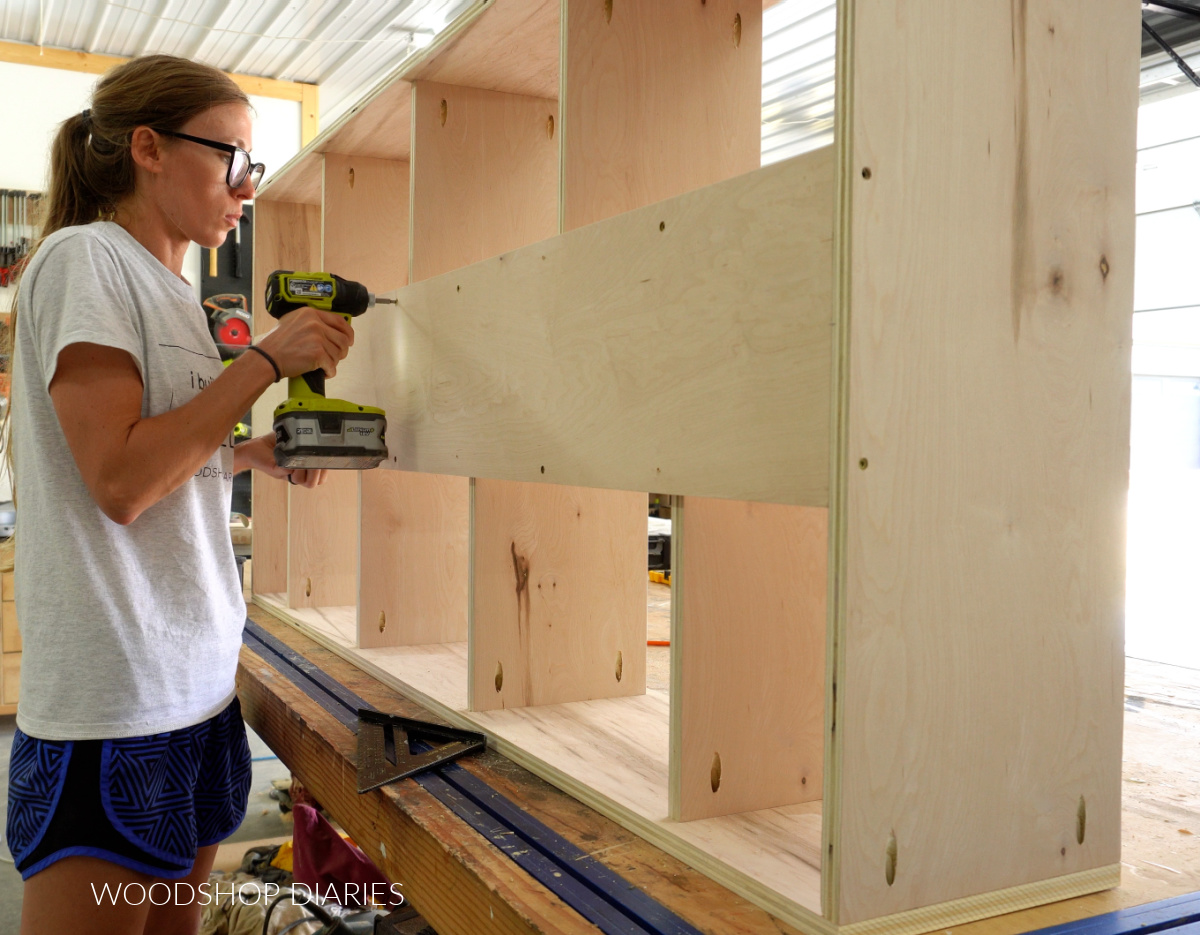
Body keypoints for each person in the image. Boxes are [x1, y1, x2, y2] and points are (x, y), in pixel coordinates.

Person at [2, 54, 354, 934]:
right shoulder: (87, 261)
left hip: (194, 689)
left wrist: (247, 457)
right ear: (148, 148)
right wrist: (267, 361)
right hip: (113, 706)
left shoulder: (174, 294)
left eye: (253, 165)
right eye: (229, 156)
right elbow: (118, 482)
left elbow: (161, 465)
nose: (245, 185)